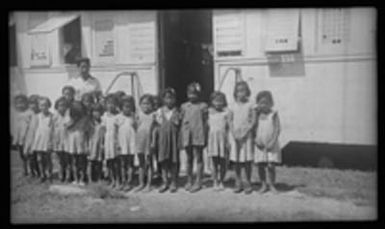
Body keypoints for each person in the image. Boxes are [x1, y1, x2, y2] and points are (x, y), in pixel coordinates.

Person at [180, 82, 208, 193]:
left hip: (199, 134)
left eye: (195, 94)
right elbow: (182, 120)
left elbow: (206, 122)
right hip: (187, 134)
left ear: (199, 94)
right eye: (190, 94)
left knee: (199, 158)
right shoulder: (184, 106)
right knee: (189, 158)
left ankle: (199, 181)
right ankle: (189, 180)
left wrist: (205, 135)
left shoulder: (203, 106)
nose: (192, 96)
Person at [229, 81, 256, 194]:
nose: (241, 93)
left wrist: (246, 131)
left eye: (243, 90)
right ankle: (238, 181)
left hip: (246, 136)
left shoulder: (251, 104)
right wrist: (234, 133)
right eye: (239, 91)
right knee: (237, 161)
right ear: (235, 92)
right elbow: (230, 120)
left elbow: (253, 120)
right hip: (235, 136)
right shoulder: (232, 105)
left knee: (247, 160)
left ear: (247, 92)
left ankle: (247, 182)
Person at [254, 90, 281, 194]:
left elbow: (277, 128)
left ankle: (272, 185)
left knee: (271, 165)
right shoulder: (256, 114)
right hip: (260, 144)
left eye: (266, 103)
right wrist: (256, 140)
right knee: (261, 165)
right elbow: (253, 128)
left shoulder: (273, 114)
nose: (263, 105)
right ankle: (263, 184)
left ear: (271, 103)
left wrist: (273, 141)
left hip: (271, 144)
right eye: (261, 103)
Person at [156, 88, 181, 193]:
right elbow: (157, 126)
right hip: (163, 139)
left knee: (174, 161)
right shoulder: (159, 111)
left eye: (171, 98)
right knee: (164, 160)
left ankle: (173, 182)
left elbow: (179, 124)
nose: (169, 100)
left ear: (174, 99)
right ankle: (165, 181)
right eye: (167, 98)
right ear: (163, 99)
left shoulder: (177, 111)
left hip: (174, 139)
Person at [207, 91, 231, 191]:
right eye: (216, 101)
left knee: (223, 162)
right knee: (214, 161)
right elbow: (206, 127)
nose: (218, 103)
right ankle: (215, 180)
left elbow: (229, 127)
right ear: (212, 102)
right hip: (212, 140)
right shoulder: (208, 112)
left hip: (223, 139)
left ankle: (221, 180)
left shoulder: (226, 112)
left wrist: (228, 141)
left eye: (220, 101)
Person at [66, 100, 91, 186]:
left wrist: (88, 145)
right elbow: (66, 127)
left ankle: (83, 178)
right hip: (73, 142)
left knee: (82, 161)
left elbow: (87, 132)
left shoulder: (85, 119)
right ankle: (76, 178)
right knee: (74, 161)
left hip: (82, 141)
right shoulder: (69, 119)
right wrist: (74, 121)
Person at [135, 94, 157, 192]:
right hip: (140, 140)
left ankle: (149, 184)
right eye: (143, 104)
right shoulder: (138, 115)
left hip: (149, 141)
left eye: (148, 104)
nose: (146, 106)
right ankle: (141, 183)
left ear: (152, 105)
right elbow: (136, 128)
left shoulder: (154, 115)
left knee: (149, 162)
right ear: (140, 105)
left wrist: (153, 141)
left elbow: (155, 130)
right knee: (141, 163)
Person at [116, 95, 136, 191]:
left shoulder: (134, 116)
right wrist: (117, 143)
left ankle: (129, 181)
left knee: (130, 163)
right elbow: (116, 132)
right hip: (122, 143)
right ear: (121, 107)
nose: (127, 109)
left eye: (129, 107)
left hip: (131, 143)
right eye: (125, 106)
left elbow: (136, 129)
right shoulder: (118, 117)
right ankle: (123, 181)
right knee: (122, 163)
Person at [32, 97, 54, 183]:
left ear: (49, 105)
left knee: (48, 158)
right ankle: (42, 174)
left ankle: (49, 174)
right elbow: (34, 129)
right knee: (39, 159)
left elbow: (52, 129)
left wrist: (51, 140)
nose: (43, 107)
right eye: (41, 105)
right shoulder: (37, 116)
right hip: (39, 140)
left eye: (45, 105)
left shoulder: (52, 116)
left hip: (47, 139)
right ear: (39, 106)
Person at [101, 94, 120, 188]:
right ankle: (112, 179)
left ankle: (118, 180)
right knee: (109, 161)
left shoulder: (118, 116)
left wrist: (118, 142)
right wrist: (102, 143)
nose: (110, 105)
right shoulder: (104, 116)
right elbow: (103, 130)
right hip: (108, 140)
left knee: (117, 162)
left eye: (113, 103)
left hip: (115, 141)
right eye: (108, 103)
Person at [11, 94, 30, 176]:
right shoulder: (15, 115)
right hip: (19, 139)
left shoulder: (29, 113)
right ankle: (24, 170)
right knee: (22, 155)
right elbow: (15, 128)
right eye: (18, 103)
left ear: (26, 103)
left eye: (22, 103)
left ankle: (31, 170)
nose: (20, 105)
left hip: (27, 138)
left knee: (28, 155)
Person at [52, 96, 70, 182]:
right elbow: (51, 129)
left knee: (67, 159)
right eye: (60, 106)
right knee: (60, 160)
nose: (62, 107)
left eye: (64, 105)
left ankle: (68, 176)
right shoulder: (54, 116)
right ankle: (61, 175)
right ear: (56, 107)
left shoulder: (69, 116)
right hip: (58, 140)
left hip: (67, 140)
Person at [23, 95, 41, 178]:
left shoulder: (41, 114)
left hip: (39, 139)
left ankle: (42, 173)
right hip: (30, 138)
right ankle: (33, 173)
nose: (33, 106)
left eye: (35, 104)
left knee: (40, 158)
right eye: (31, 104)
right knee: (31, 157)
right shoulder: (29, 115)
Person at [88, 103, 105, 183]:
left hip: (100, 143)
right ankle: (90, 178)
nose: (96, 113)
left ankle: (99, 177)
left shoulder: (103, 121)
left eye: (98, 111)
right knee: (91, 161)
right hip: (91, 144)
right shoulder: (90, 122)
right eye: (94, 111)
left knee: (99, 161)